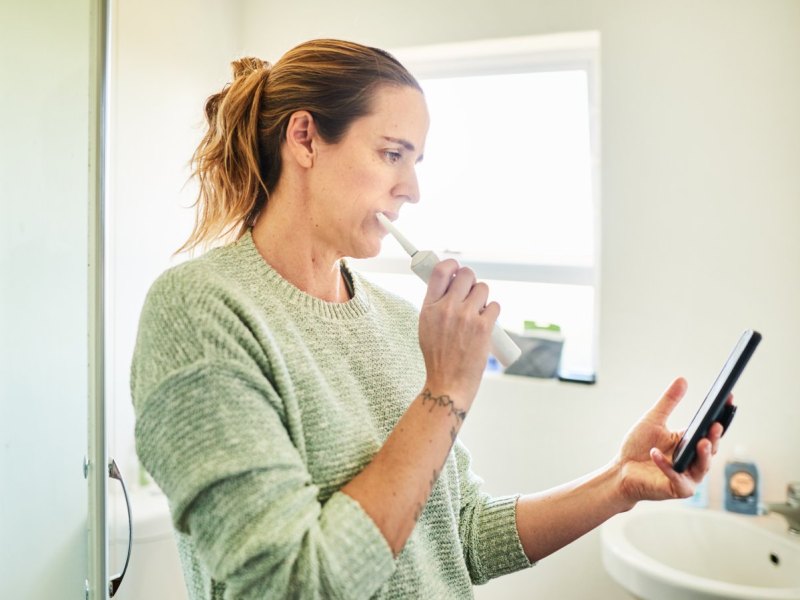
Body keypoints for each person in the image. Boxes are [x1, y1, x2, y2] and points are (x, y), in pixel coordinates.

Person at [131, 39, 724, 600]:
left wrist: (617, 484)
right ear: (306, 139)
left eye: (416, 162)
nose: (411, 189)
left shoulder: (395, 320)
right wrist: (445, 390)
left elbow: (457, 535)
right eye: (392, 154)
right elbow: (291, 584)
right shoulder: (202, 310)